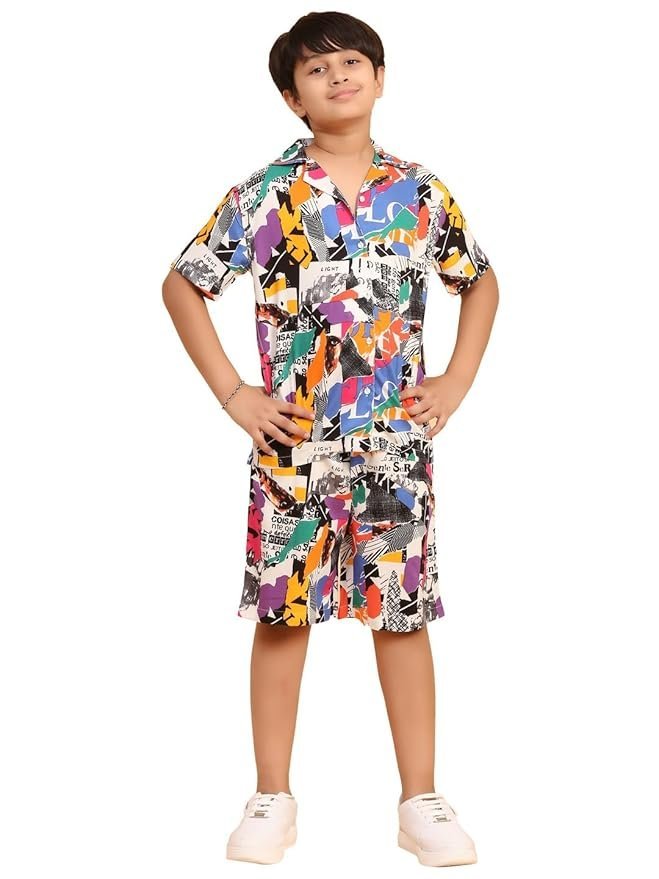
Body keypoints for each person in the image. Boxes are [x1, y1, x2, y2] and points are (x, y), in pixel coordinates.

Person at [162, 10, 498, 868]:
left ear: (379, 78)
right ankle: (271, 795)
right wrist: (234, 392)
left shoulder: (419, 191)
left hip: (394, 448)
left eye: (352, 61)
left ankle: (419, 798)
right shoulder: (263, 195)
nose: (338, 75)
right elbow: (183, 284)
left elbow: (478, 279)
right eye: (316, 70)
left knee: (401, 615)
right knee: (282, 615)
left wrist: (455, 379)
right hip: (293, 451)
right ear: (292, 98)